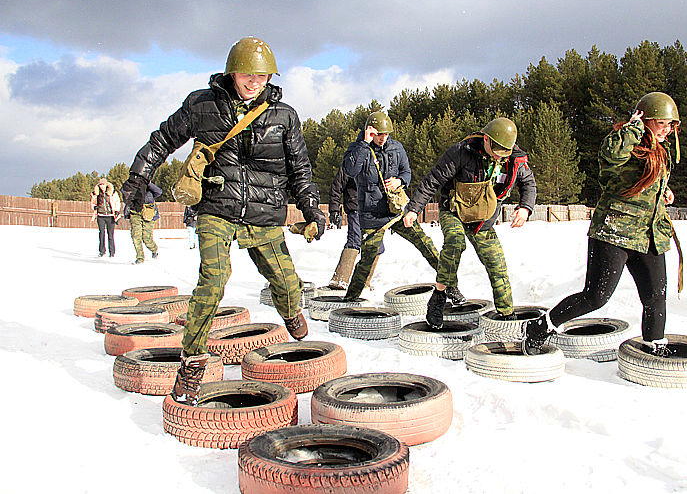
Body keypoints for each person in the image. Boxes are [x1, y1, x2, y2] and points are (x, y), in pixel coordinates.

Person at [120, 36, 326, 405]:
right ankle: (192, 363)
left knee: (286, 282)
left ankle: (291, 311)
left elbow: (300, 168)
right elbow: (162, 140)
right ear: (233, 71)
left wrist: (311, 207)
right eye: (248, 73)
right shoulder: (202, 105)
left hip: (265, 212)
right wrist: (138, 178)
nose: (254, 81)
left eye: (262, 76)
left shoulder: (285, 116)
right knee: (212, 282)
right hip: (217, 207)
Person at [522, 92, 681, 357]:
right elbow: (612, 157)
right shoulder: (623, 142)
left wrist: (663, 191)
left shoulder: (658, 150)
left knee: (656, 297)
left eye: (670, 124)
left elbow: (639, 181)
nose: (667, 129)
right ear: (644, 119)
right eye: (661, 123)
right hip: (613, 234)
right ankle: (541, 326)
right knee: (595, 297)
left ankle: (655, 346)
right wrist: (634, 127)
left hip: (649, 236)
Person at [403, 117, 536, 328]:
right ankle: (438, 297)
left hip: (483, 219)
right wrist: (413, 208)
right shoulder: (460, 152)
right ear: (486, 139)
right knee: (455, 243)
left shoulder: (515, 160)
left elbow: (528, 184)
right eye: (495, 150)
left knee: (497, 265)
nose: (498, 156)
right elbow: (433, 180)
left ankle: (507, 315)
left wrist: (525, 208)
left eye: (503, 153)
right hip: (454, 211)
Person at [341, 110, 463, 304]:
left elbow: (407, 172)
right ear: (370, 131)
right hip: (372, 215)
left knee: (426, 245)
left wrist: (400, 181)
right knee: (367, 260)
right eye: (379, 134)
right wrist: (364, 143)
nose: (383, 138)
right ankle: (350, 300)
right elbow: (349, 169)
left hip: (397, 211)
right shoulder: (358, 149)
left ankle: (451, 287)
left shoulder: (397, 148)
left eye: (386, 134)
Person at [327, 162, 384, 290]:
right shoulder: (351, 160)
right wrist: (334, 209)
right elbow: (337, 186)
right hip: (356, 208)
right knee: (355, 241)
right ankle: (340, 280)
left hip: (376, 210)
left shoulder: (381, 160)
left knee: (377, 245)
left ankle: (363, 282)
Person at [90, 178, 121, 257]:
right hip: (101, 216)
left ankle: (112, 252)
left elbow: (117, 201)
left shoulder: (112, 192)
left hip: (110, 216)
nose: (102, 186)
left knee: (110, 235)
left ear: (106, 185)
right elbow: (93, 202)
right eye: (100, 185)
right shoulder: (96, 193)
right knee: (101, 234)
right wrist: (94, 207)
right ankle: (102, 251)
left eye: (103, 185)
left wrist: (117, 211)